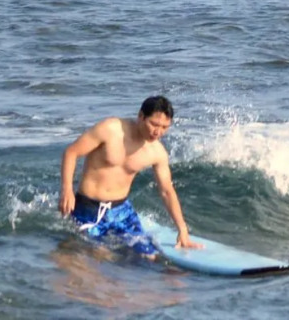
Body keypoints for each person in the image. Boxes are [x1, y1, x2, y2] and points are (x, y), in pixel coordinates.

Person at [59, 95, 198, 256]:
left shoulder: (157, 152)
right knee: (101, 256)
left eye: (164, 127)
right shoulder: (110, 130)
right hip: (89, 208)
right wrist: (67, 189)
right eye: (154, 124)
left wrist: (182, 229)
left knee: (148, 256)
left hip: (122, 211)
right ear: (140, 116)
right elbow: (71, 152)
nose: (157, 132)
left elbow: (167, 191)